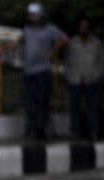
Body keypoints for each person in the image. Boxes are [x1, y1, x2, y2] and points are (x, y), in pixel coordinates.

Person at [16, 3, 67, 140]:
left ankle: (40, 129)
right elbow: (19, 42)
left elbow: (63, 38)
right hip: (29, 71)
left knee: (42, 101)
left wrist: (52, 51)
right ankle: (31, 128)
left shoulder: (49, 29)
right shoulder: (27, 30)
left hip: (42, 71)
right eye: (30, 14)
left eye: (33, 14)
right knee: (29, 101)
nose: (31, 16)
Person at [66, 16, 104, 139]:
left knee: (92, 106)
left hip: (91, 79)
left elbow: (101, 60)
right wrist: (69, 75)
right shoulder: (72, 42)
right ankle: (74, 131)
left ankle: (94, 130)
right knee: (74, 106)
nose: (83, 28)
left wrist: (98, 74)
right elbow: (67, 60)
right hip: (75, 78)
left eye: (86, 26)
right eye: (81, 26)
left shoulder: (96, 43)